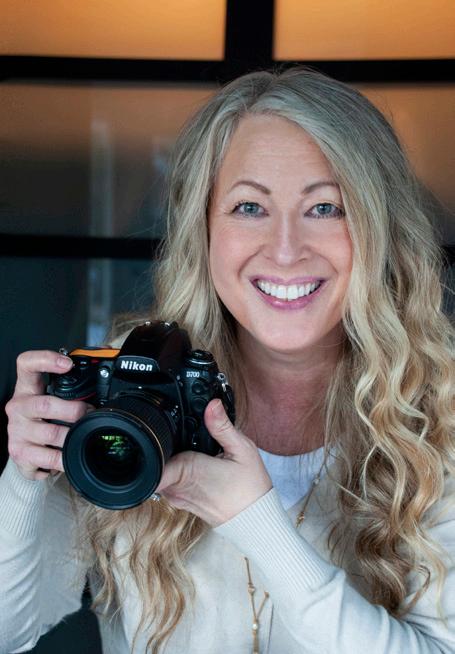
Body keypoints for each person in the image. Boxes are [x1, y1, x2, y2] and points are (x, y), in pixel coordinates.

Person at [1, 65, 454, 654]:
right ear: (204, 227)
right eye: (249, 207)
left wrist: (252, 519)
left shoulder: (438, 421)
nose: (285, 250)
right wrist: (24, 479)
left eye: (326, 208)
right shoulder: (131, 397)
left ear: (379, 229)